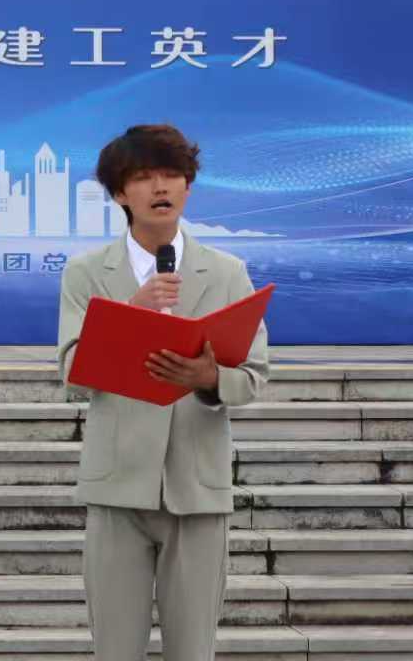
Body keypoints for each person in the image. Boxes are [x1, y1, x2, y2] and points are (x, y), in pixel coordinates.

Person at [56, 124, 270, 661]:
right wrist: (132, 311)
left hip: (196, 489)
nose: (160, 187)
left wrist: (208, 379)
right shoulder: (87, 273)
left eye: (172, 175)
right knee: (115, 651)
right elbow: (73, 373)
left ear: (188, 186)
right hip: (117, 487)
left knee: (193, 651)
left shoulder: (226, 272)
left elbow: (253, 375)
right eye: (143, 177)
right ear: (119, 193)